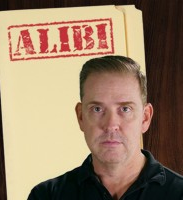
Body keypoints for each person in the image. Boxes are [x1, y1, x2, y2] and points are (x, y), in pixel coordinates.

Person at [28, 55, 183, 200]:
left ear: (145, 117)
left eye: (125, 109)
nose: (110, 125)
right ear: (80, 116)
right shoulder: (46, 196)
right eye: (97, 109)